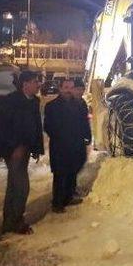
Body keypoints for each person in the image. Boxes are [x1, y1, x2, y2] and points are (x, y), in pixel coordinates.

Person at [0, 71, 43, 235]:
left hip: (24, 150)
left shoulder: (33, 101)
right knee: (22, 186)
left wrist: (35, 149)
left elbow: (35, 128)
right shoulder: (10, 101)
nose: (38, 84)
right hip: (11, 150)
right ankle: (17, 222)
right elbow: (3, 128)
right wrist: (14, 148)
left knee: (13, 186)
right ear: (25, 84)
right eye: (34, 81)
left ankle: (9, 222)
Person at [44, 78, 91, 213]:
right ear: (60, 88)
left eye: (71, 87)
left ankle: (69, 196)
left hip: (76, 144)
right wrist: (61, 137)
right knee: (60, 174)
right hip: (60, 146)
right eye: (66, 87)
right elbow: (48, 126)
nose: (68, 90)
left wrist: (87, 136)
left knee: (72, 171)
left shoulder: (79, 104)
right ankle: (57, 203)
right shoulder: (52, 106)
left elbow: (84, 122)